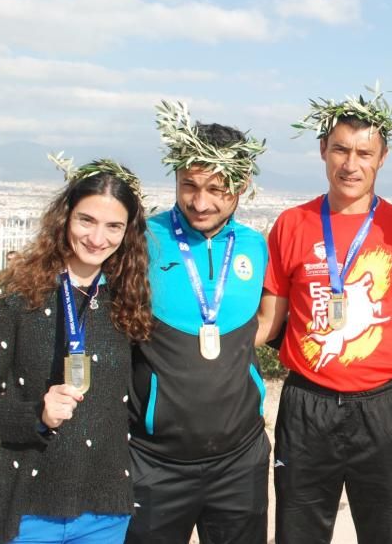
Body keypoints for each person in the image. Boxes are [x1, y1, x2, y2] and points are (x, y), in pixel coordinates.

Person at [256, 88, 392, 544]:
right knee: (297, 532)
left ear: (382, 157)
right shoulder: (291, 225)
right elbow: (268, 325)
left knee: (387, 532)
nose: (351, 164)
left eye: (364, 153)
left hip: (385, 407)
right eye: (340, 150)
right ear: (323, 151)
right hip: (306, 405)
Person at [0, 156, 152, 544]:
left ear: (128, 232)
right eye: (87, 220)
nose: (98, 238)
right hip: (28, 507)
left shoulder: (128, 300)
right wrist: (36, 414)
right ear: (65, 217)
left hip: (105, 511)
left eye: (113, 226)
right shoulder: (16, 298)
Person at [125, 100, 271, 544]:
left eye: (217, 188)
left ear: (242, 184)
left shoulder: (254, 246)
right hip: (155, 461)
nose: (200, 201)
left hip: (240, 460)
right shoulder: (142, 240)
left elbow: (266, 322)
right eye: (189, 185)